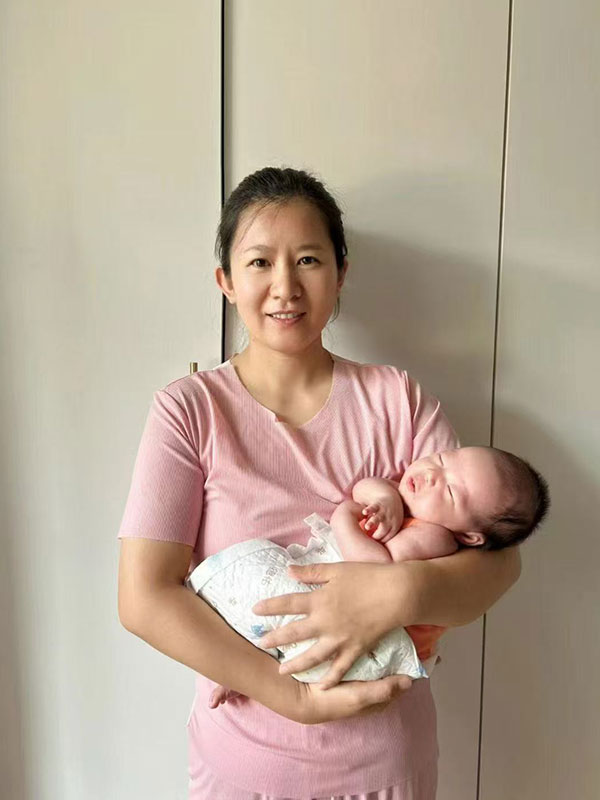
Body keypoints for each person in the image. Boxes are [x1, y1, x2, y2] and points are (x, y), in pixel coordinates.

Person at [117, 166, 522, 800]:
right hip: (244, 770)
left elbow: (497, 565)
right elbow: (143, 598)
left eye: (308, 260)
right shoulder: (189, 411)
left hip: (386, 767)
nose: (285, 287)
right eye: (259, 262)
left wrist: (393, 593)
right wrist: (295, 700)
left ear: (340, 274)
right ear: (226, 281)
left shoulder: (396, 399)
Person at [204, 444, 549, 707]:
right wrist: (386, 498)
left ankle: (256, 671)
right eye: (443, 459)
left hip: (381, 646)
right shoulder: (407, 495)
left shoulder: (435, 538)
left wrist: (344, 518)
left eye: (449, 492)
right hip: (346, 613)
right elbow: (365, 488)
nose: (432, 474)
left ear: (470, 537)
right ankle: (247, 670)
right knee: (284, 613)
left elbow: (372, 573)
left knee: (280, 602)